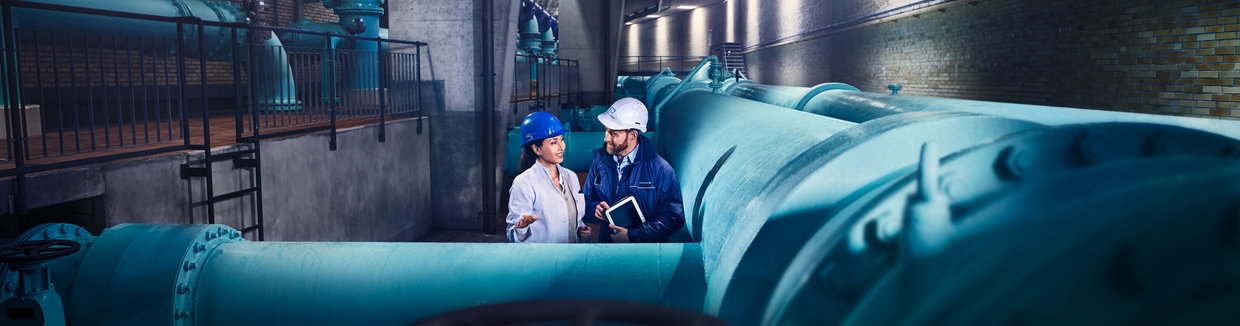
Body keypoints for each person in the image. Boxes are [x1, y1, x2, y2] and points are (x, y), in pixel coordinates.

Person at [582, 97, 685, 243]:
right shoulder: (599, 163)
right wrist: (594, 209)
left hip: (645, 256)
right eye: (606, 131)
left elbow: (673, 218)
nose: (606, 138)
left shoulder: (661, 170)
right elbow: (584, 200)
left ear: (633, 135)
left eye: (614, 134)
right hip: (608, 250)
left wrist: (633, 235)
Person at [506, 112, 592, 243]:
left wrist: (580, 228)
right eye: (553, 142)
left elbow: (574, 216)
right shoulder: (524, 183)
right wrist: (522, 228)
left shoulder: (571, 177)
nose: (561, 147)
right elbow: (512, 237)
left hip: (572, 257)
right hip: (543, 260)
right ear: (536, 149)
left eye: (561, 139)